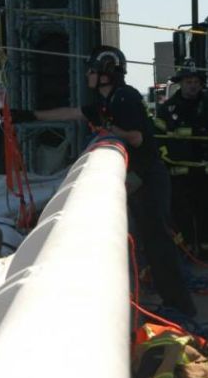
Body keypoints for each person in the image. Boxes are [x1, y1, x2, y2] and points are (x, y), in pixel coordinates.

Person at [12, 45, 196, 316]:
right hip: (139, 177)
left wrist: (108, 132)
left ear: (106, 74)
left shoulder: (125, 98)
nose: (87, 75)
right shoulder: (107, 101)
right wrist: (29, 116)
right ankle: (171, 301)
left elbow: (136, 137)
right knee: (149, 241)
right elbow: (73, 113)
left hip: (147, 177)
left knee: (157, 242)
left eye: (92, 71)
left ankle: (180, 306)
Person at [154, 67, 208, 260]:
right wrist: (164, 156)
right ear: (180, 84)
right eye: (188, 82)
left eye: (196, 82)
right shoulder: (167, 109)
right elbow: (156, 138)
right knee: (181, 214)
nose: (193, 86)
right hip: (179, 173)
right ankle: (185, 250)